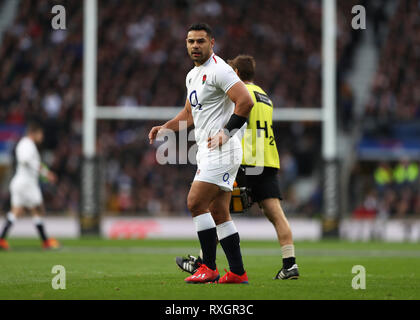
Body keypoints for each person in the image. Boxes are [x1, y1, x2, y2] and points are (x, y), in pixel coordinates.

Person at [176, 55, 299, 280]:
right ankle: (289, 263)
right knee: (275, 214)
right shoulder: (265, 97)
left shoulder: (236, 93)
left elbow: (237, 122)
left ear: (237, 74)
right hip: (267, 159)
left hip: (243, 160)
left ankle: (204, 263)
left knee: (215, 209)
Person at [149, 23, 254, 284]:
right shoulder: (192, 75)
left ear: (212, 43)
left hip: (223, 148)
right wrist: (165, 127)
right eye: (191, 41)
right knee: (219, 212)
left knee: (195, 202)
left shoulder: (220, 70)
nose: (195, 46)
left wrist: (226, 132)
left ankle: (208, 267)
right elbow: (188, 114)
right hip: (208, 151)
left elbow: (246, 101)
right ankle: (238, 272)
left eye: (200, 41)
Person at [0, 120, 59, 250]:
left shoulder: (26, 144)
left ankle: (1, 239)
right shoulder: (27, 144)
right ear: (34, 133)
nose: (42, 137)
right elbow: (25, 160)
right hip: (26, 183)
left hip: (20, 182)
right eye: (40, 134)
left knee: (16, 212)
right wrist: (46, 173)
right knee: (38, 209)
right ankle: (46, 241)